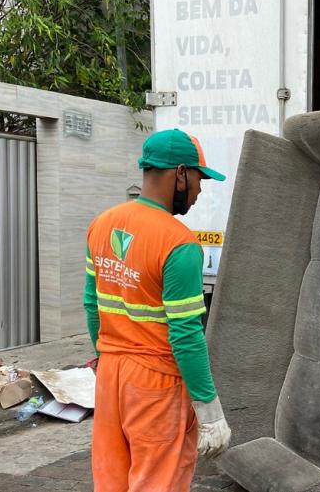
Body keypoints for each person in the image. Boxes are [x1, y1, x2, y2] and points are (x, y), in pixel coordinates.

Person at [84, 129, 231, 491]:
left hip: (111, 376)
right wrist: (209, 410)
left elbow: (92, 304)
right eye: (198, 179)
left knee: (111, 481)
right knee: (158, 483)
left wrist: (105, 359)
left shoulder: (101, 225)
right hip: (156, 385)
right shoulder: (179, 244)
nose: (199, 192)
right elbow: (185, 334)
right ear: (180, 173)